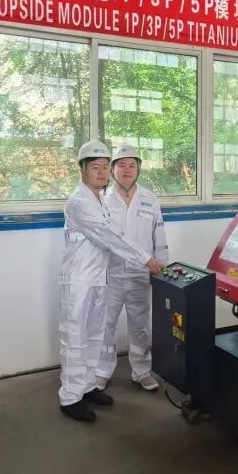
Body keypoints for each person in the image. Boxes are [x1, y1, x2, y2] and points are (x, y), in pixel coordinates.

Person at [58, 140, 164, 423]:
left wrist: (153, 260)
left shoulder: (99, 199)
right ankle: (70, 397)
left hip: (99, 277)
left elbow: (137, 233)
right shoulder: (80, 202)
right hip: (80, 280)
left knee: (95, 333)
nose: (102, 173)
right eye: (96, 167)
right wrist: (146, 259)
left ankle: (88, 387)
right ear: (82, 170)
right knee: (75, 337)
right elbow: (111, 236)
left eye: (105, 167)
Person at [96, 142, 169, 392]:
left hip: (141, 274)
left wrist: (161, 268)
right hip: (110, 274)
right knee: (105, 325)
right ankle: (102, 371)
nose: (127, 170)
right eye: (122, 165)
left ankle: (142, 371)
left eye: (132, 165)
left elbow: (159, 235)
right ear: (112, 169)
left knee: (140, 326)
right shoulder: (102, 200)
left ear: (138, 169)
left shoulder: (149, 199)